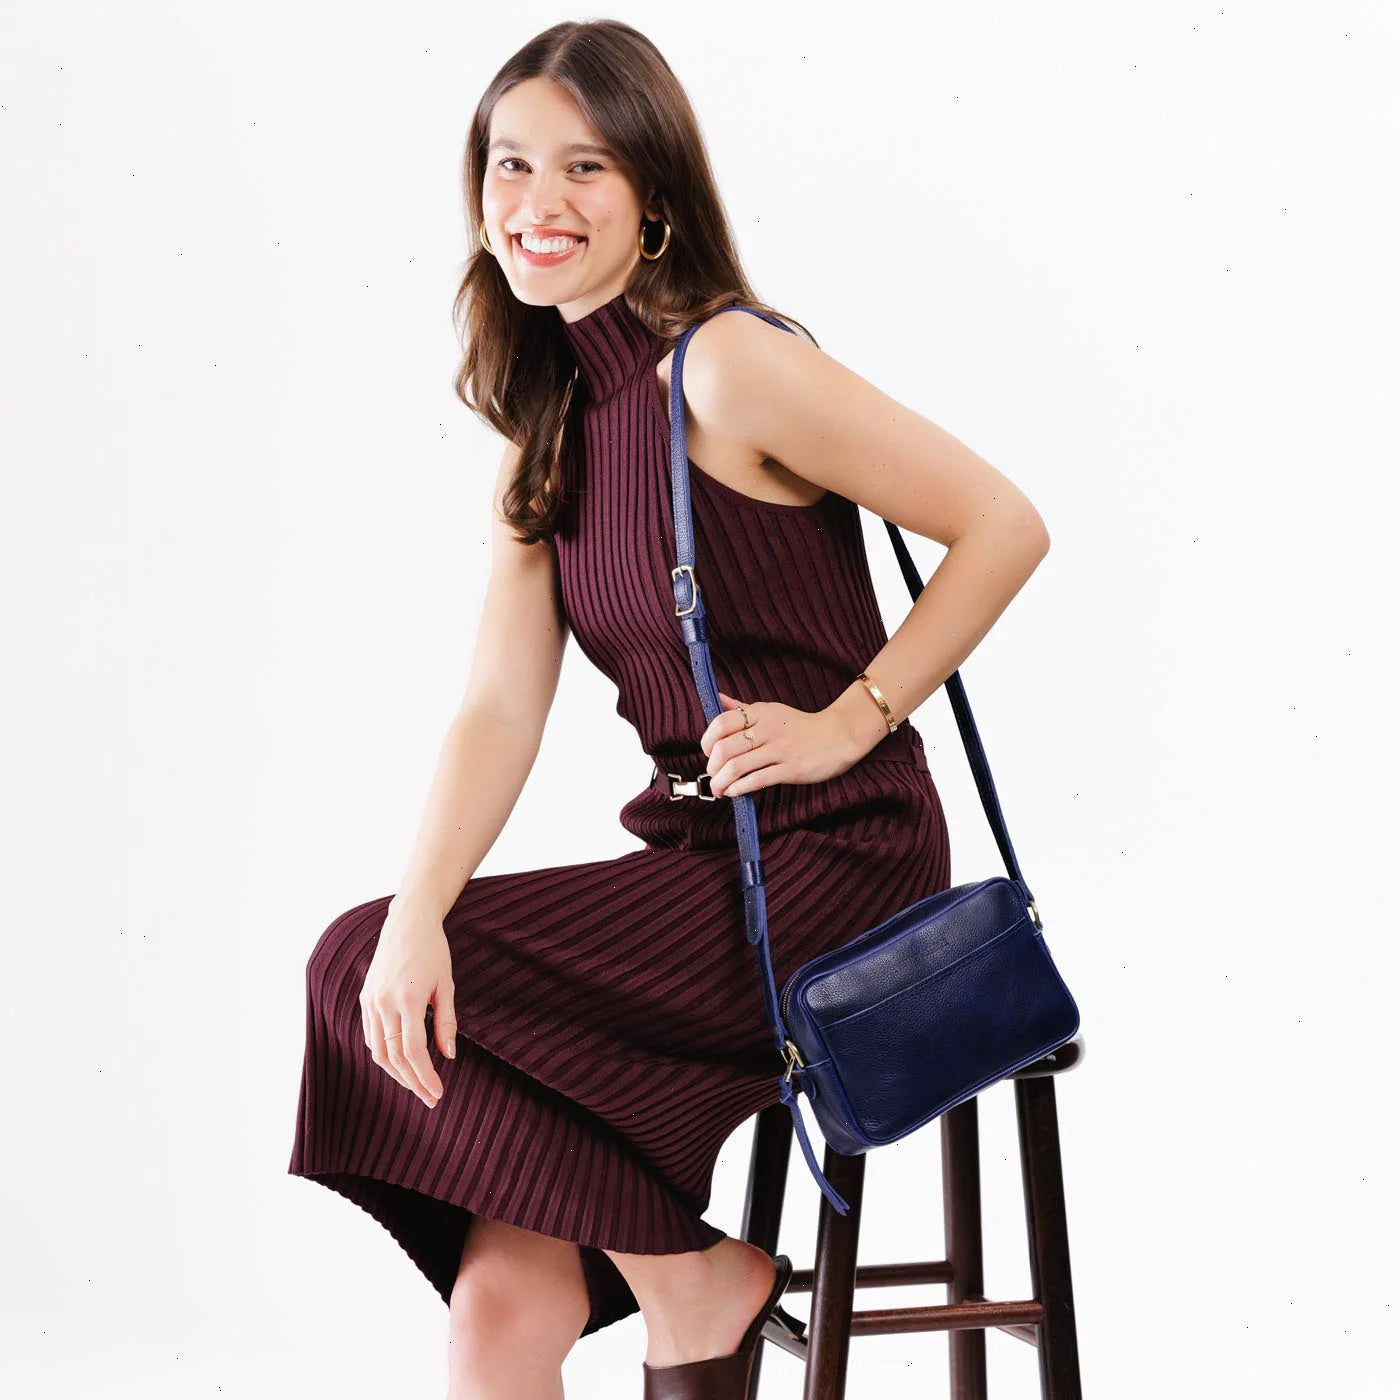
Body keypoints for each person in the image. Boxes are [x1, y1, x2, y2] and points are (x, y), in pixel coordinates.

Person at [287, 18, 1051, 1400]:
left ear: (655, 197)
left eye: (584, 166)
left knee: (351, 963)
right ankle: (684, 1277)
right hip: (702, 867)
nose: (539, 201)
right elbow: (497, 709)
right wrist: (419, 915)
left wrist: (851, 719)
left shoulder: (728, 366)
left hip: (837, 865)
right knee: (497, 1301)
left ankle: (691, 1276)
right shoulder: (550, 432)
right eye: (511, 165)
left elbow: (1002, 522)